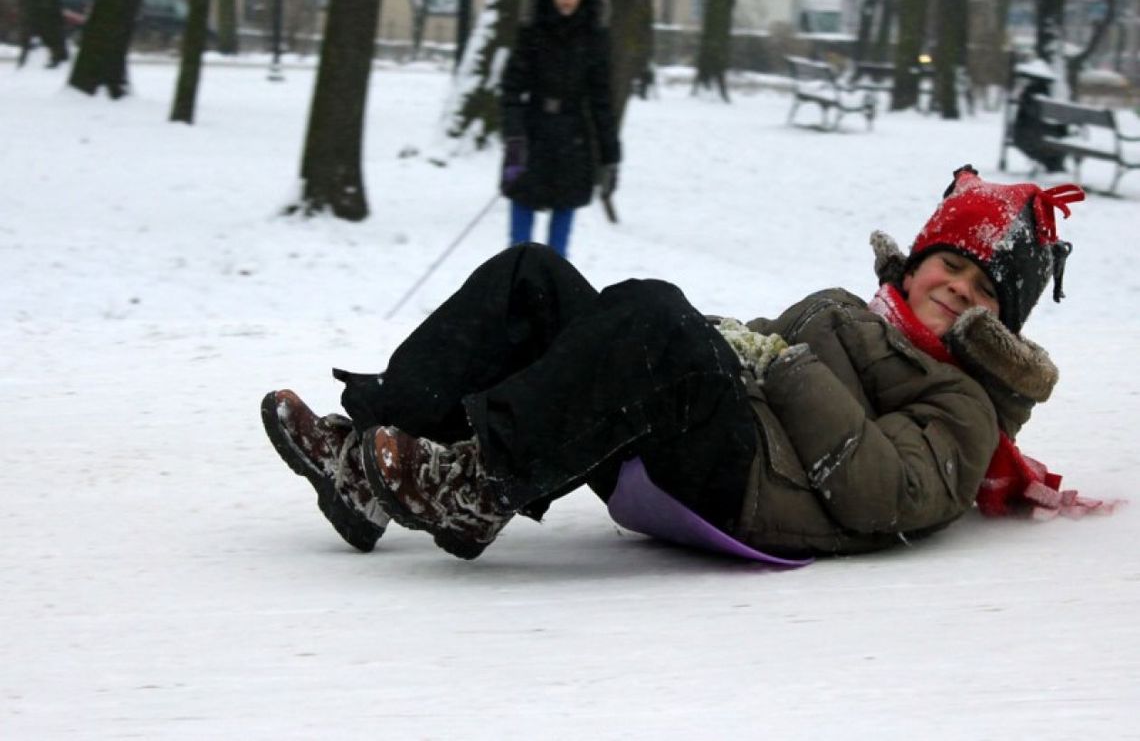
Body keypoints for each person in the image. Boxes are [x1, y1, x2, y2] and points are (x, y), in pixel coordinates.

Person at [262, 166, 1100, 564]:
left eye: (982, 286)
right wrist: (735, 342)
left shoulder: (966, 405)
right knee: (535, 279)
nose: (956, 286)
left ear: (1002, 324)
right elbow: (750, 343)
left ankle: (477, 486)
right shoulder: (846, 305)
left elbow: (880, 494)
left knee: (655, 314)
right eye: (949, 263)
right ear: (917, 261)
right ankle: (365, 453)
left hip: (757, 493)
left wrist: (783, 364)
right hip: (722, 436)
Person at [498, 0, 621, 258]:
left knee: (560, 240)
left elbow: (601, 100)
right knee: (520, 238)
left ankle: (554, 297)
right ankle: (517, 290)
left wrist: (609, 157)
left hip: (573, 142)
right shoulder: (532, 31)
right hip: (531, 135)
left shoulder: (594, 37)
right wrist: (515, 140)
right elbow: (511, 89)